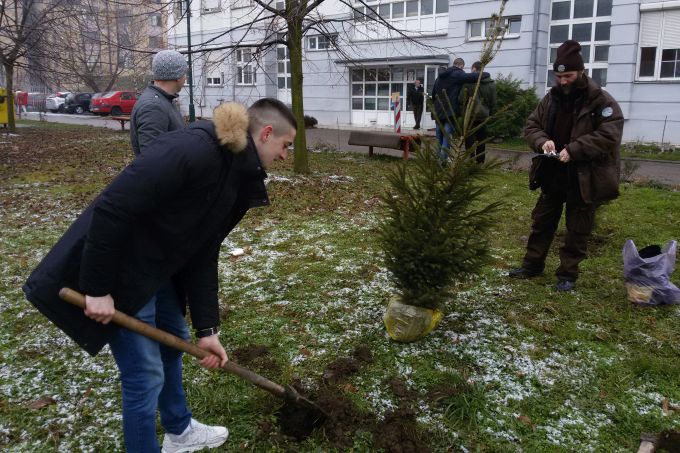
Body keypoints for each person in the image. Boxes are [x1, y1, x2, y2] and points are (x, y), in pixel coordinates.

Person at [23, 98, 297, 452]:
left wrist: (207, 329)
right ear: (267, 133)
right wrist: (97, 288)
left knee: (173, 342)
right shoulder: (193, 150)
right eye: (285, 146)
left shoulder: (234, 174)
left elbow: (203, 250)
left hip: (155, 271)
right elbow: (112, 208)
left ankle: (179, 430)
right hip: (120, 272)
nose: (286, 156)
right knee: (144, 375)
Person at [508, 40, 623, 292]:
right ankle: (532, 265)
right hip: (553, 174)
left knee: (577, 229)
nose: (562, 81)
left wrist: (574, 149)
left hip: (583, 177)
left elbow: (609, 135)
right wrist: (542, 142)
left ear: (581, 72)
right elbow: (532, 126)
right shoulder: (550, 99)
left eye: (567, 75)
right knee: (541, 222)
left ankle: (567, 275)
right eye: (558, 76)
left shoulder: (601, 101)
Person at [131, 49, 188, 156]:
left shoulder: (164, 100)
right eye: (184, 73)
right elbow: (152, 159)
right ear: (177, 76)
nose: (185, 77)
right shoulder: (153, 106)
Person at [431, 57, 490, 156]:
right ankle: (442, 162)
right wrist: (487, 74)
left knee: (439, 138)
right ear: (461, 66)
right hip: (450, 112)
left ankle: (437, 159)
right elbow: (473, 77)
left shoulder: (439, 77)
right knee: (447, 137)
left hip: (438, 111)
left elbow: (433, 94)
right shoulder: (457, 74)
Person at [459, 61, 497, 164]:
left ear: (474, 68)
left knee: (469, 140)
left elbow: (461, 98)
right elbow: (493, 101)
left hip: (470, 115)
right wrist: (492, 114)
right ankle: (480, 161)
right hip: (484, 115)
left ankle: (470, 161)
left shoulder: (468, 82)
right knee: (481, 140)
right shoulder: (491, 83)